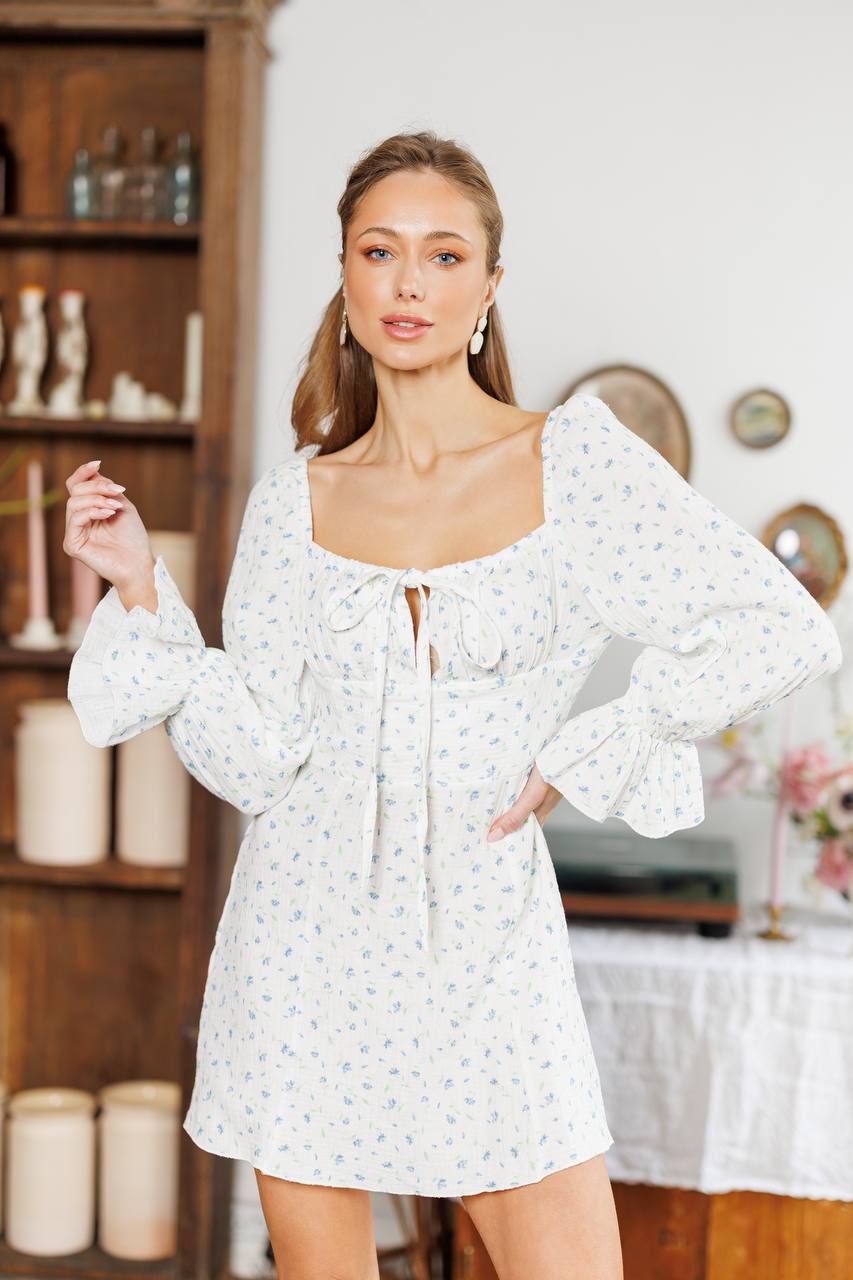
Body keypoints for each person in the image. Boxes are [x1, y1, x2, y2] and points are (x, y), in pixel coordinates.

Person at [63, 130, 842, 1280]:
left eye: (442, 253)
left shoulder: (572, 462)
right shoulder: (295, 501)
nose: (409, 280)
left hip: (486, 947)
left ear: (487, 285)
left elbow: (783, 623)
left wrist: (594, 743)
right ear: (345, 276)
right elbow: (259, 757)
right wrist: (139, 585)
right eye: (380, 250)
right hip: (301, 949)